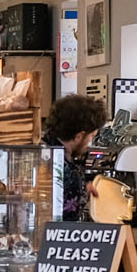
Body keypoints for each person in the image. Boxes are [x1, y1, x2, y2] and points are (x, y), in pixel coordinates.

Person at [43, 93, 110, 221]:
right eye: (91, 137)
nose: (89, 144)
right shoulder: (67, 170)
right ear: (78, 136)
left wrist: (84, 190)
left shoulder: (42, 149)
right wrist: (80, 190)